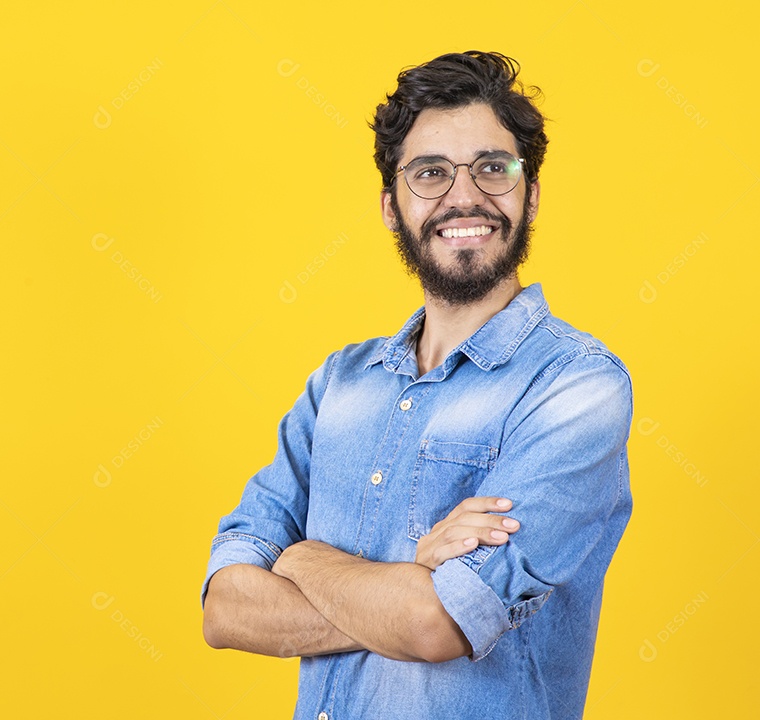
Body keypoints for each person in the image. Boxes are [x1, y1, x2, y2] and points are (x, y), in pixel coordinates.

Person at [200, 51, 633, 720]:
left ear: (532, 192)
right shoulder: (337, 386)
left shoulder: (576, 388)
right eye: (430, 173)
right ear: (391, 206)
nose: (465, 196)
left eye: (494, 167)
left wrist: (303, 559)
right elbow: (226, 609)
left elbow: (440, 627)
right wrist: (409, 577)